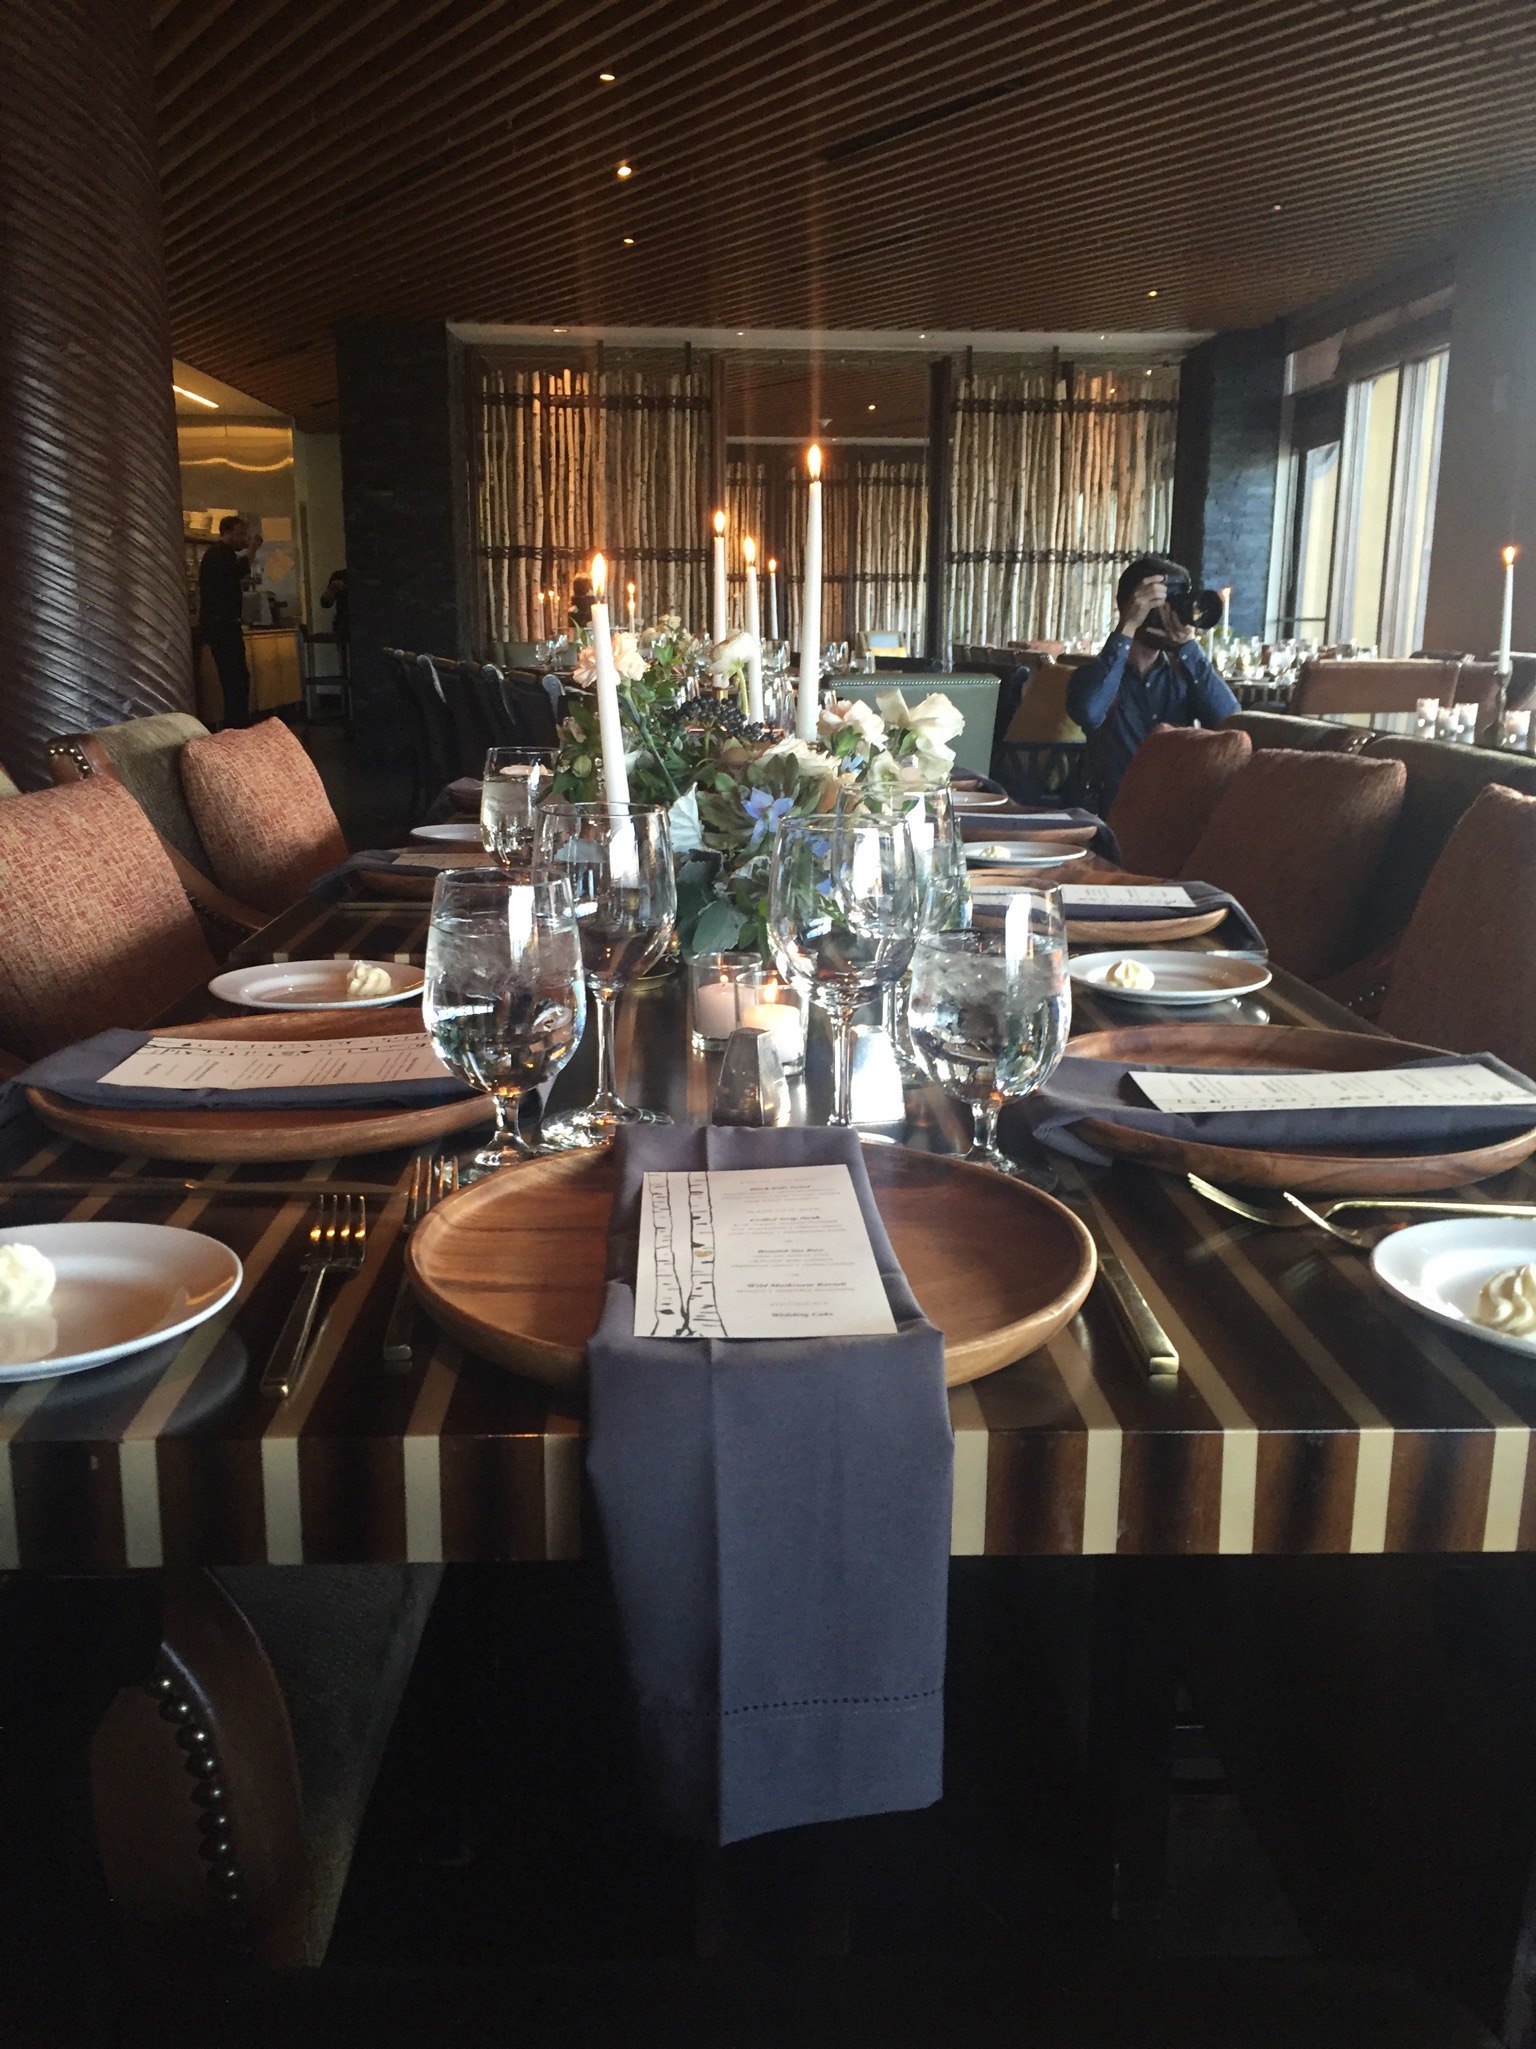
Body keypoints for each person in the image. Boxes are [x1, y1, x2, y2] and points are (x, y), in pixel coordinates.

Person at [1067, 554, 1238, 806]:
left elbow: (1232, 722)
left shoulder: (1184, 674)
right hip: (1111, 812)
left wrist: (1189, 647)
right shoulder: (1097, 675)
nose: (1171, 612)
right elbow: (1088, 711)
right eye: (1160, 601)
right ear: (1131, 605)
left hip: (1171, 812)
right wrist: (1127, 626)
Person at [197, 515, 262, 728]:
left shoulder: (217, 554)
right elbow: (239, 570)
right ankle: (237, 725)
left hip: (220, 625)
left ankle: (237, 723)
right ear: (226, 533)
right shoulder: (220, 554)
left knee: (235, 677)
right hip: (223, 626)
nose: (243, 538)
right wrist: (252, 549)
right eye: (240, 534)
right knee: (235, 678)